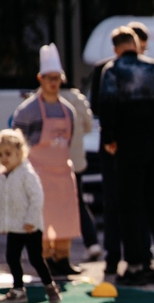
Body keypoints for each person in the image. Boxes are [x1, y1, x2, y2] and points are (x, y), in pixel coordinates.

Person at [100, 26, 154, 285]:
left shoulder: (113, 70)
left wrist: (109, 138)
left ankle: (136, 266)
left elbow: (108, 104)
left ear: (116, 48)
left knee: (129, 205)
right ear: (137, 44)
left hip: (129, 142)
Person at [12, 43, 82, 278]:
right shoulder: (27, 111)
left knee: (65, 217)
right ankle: (42, 259)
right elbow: (17, 143)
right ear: (40, 78)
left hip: (62, 172)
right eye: (49, 77)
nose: (53, 82)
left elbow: (70, 138)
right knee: (40, 218)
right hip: (37, 174)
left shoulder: (68, 110)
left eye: (57, 78)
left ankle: (62, 258)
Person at [91, 21, 153, 277]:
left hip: (135, 145)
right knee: (115, 202)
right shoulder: (106, 70)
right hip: (114, 146)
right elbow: (100, 106)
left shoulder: (149, 70)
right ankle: (114, 256)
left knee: (140, 202)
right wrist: (110, 138)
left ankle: (141, 256)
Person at [0, 129, 61, 303]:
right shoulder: (3, 176)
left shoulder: (26, 173)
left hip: (30, 227)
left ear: (20, 153)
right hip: (15, 226)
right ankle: (18, 290)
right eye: (0, 154)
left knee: (36, 259)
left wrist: (31, 220)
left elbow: (37, 198)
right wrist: (1, 223)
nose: (4, 158)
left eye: (8, 154)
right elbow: (2, 202)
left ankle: (50, 287)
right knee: (12, 257)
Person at [60, 84, 101, 262]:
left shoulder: (47, 99)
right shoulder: (78, 98)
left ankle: (57, 253)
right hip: (76, 160)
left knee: (56, 205)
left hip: (56, 161)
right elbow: (88, 125)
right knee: (78, 202)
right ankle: (92, 243)